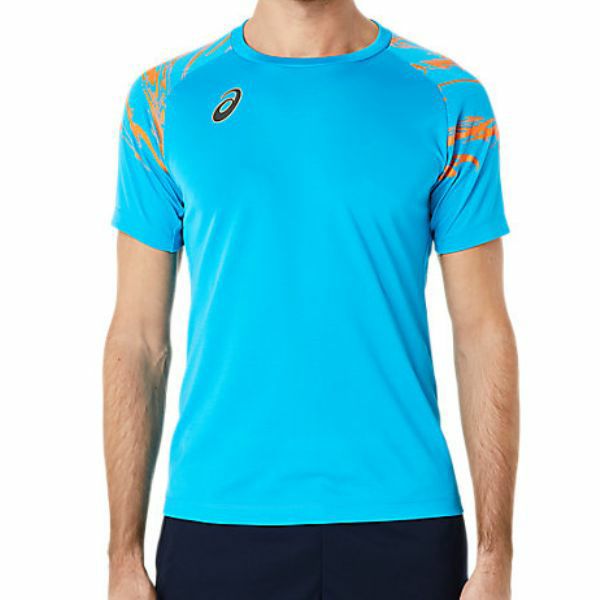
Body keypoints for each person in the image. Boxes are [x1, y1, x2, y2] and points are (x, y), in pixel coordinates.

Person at [104, 0, 519, 598]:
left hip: (404, 522)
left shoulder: (450, 99)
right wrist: (122, 555)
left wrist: (497, 555)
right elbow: (139, 339)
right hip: (218, 520)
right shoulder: (164, 100)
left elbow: (482, 332)